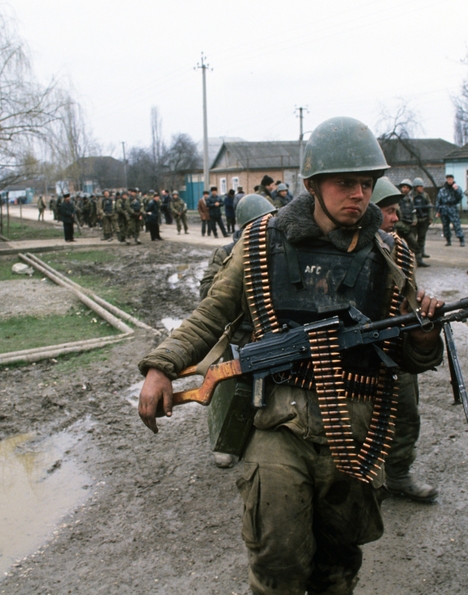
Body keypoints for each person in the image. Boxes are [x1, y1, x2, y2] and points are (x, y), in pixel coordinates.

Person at [138, 116, 445, 595]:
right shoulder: (262, 240)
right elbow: (211, 312)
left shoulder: (393, 254)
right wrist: (162, 366)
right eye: (346, 184)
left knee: (339, 567)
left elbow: (407, 356)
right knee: (277, 563)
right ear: (313, 185)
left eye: (365, 184)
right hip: (278, 420)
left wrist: (425, 339)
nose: (360, 195)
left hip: (356, 427)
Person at [198, 194, 278, 469]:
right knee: (232, 389)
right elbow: (207, 294)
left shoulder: (281, 247)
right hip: (240, 335)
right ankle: (225, 442)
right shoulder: (227, 252)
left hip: (270, 331)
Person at [372, 177, 438, 501]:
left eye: (396, 211)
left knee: (406, 411)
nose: (395, 218)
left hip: (394, 342)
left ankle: (399, 474)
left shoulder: (399, 248)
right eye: (388, 211)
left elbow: (408, 293)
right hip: (361, 349)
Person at [395, 179, 424, 266]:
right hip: (399, 226)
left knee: (414, 245)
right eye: (404, 187)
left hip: (408, 226)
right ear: (401, 188)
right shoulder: (397, 199)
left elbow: (413, 211)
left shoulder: (410, 200)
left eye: (407, 187)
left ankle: (419, 261)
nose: (405, 189)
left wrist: (414, 219)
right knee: (396, 245)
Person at [435, 174, 465, 246]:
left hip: (452, 208)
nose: (450, 180)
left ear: (453, 179)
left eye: (451, 179)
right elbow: (438, 201)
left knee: (456, 224)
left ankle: (461, 240)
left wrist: (456, 190)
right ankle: (448, 240)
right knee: (445, 225)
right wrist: (438, 211)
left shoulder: (456, 188)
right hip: (444, 209)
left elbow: (460, 197)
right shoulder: (442, 190)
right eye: (448, 179)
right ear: (446, 180)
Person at [411, 178, 433, 260]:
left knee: (422, 237)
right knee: (413, 238)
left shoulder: (425, 195)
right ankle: (414, 254)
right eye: (420, 186)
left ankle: (421, 252)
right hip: (414, 221)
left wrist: (430, 218)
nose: (421, 188)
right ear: (415, 187)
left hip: (424, 219)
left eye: (422, 186)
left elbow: (429, 207)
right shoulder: (411, 196)